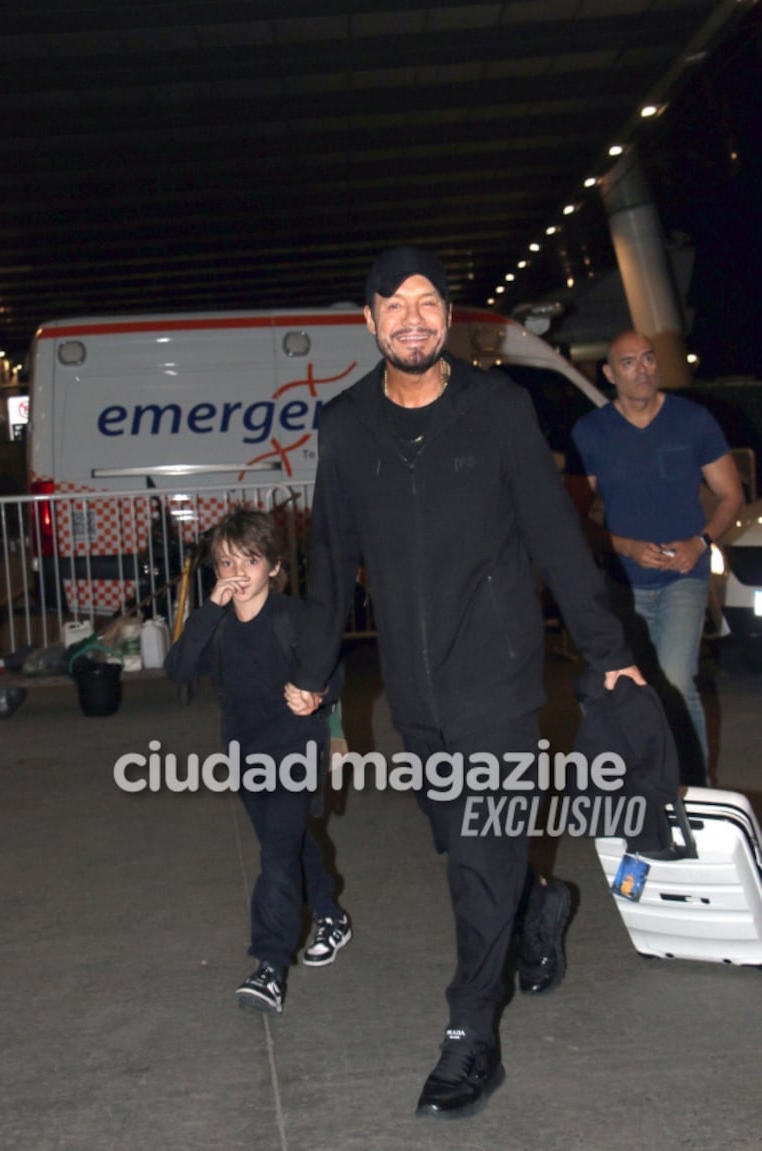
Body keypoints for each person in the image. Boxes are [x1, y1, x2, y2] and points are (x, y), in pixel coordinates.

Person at [284, 246, 643, 1119]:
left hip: (497, 675)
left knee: (476, 863)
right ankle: (541, 899)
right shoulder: (345, 423)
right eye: (394, 304)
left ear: (449, 319)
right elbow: (331, 554)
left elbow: (557, 538)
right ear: (369, 323)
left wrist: (605, 648)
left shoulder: (499, 411)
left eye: (428, 302)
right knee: (461, 840)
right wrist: (310, 667)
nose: (413, 316)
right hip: (415, 688)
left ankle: (468, 1035)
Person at [164, 507, 350, 1016]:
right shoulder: (218, 625)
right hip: (247, 756)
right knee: (286, 844)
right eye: (226, 563)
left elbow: (334, 668)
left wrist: (316, 696)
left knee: (274, 859)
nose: (238, 573)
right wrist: (207, 611)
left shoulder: (294, 617)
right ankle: (330, 914)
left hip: (296, 752)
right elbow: (178, 669)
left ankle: (269, 966)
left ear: (273, 565)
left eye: (250, 560)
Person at [566, 331, 744, 786]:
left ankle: (694, 793)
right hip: (624, 583)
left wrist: (699, 543)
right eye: (629, 363)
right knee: (633, 690)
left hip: (684, 576)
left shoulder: (693, 422)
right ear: (609, 374)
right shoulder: (590, 433)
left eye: (648, 359)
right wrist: (622, 545)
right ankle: (647, 790)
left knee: (675, 681)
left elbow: (730, 495)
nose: (642, 369)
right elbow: (572, 519)